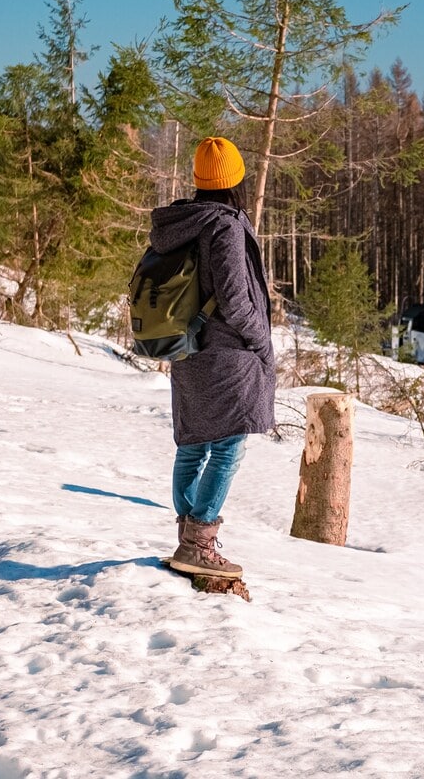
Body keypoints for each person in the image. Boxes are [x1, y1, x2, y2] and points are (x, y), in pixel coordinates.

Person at [149, 137, 275, 578]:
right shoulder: (222, 226)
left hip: (188, 347)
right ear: (236, 178)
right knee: (228, 446)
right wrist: (260, 339)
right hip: (225, 353)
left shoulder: (182, 220)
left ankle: (187, 538)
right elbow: (236, 299)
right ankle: (198, 543)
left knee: (193, 445)